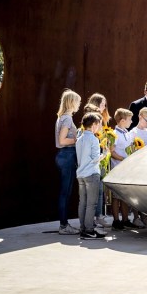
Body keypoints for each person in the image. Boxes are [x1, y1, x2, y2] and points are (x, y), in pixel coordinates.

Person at [76, 113, 107, 240]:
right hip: (91, 173)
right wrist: (104, 154)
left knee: (82, 202)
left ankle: (83, 228)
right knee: (91, 204)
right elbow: (95, 159)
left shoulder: (79, 138)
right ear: (94, 125)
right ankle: (89, 230)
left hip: (81, 174)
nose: (100, 126)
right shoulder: (94, 139)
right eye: (99, 124)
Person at [55, 89, 82, 235]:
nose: (79, 105)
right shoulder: (67, 118)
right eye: (77, 102)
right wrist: (77, 139)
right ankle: (64, 225)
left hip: (64, 156)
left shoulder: (62, 117)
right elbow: (62, 140)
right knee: (65, 192)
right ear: (72, 102)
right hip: (67, 155)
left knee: (65, 192)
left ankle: (64, 224)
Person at [85, 93, 111, 229]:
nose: (104, 107)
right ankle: (93, 219)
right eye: (102, 104)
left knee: (101, 190)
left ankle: (99, 216)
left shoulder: (103, 120)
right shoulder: (90, 121)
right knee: (93, 191)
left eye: (105, 105)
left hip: (101, 157)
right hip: (94, 159)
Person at [109, 108, 138, 230]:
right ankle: (116, 220)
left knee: (125, 196)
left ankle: (126, 219)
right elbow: (111, 151)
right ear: (122, 121)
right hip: (117, 168)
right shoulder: (115, 134)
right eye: (129, 119)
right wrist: (122, 159)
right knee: (116, 196)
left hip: (126, 169)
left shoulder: (126, 132)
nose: (131, 121)